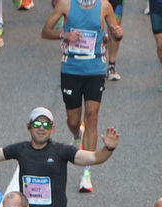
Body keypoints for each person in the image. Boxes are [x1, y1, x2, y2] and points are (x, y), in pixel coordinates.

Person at [42, 0, 121, 193]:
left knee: (92, 115)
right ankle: (78, 134)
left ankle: (87, 171)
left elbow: (115, 33)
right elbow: (45, 31)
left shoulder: (104, 6)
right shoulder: (65, 5)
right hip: (71, 69)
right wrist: (64, 34)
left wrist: (119, 34)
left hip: (94, 68)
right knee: (73, 120)